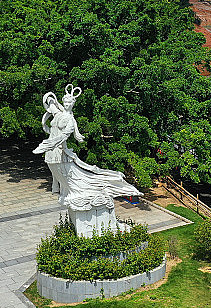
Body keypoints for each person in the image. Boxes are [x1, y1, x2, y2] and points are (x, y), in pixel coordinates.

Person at [32, 84, 141, 212]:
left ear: (73, 104)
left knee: (75, 180)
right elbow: (50, 104)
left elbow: (64, 135)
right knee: (62, 178)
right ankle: (71, 194)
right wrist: (50, 98)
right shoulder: (59, 114)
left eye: (69, 103)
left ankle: (105, 186)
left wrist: (47, 145)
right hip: (52, 154)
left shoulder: (70, 120)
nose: (67, 104)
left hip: (59, 153)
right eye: (65, 102)